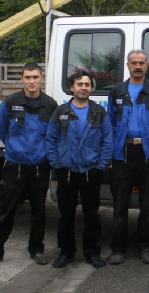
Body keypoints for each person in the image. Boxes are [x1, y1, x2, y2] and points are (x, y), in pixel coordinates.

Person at [0, 63, 57, 267]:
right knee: (7, 210)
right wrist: (15, 150)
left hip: (39, 166)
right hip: (15, 166)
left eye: (35, 77)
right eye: (27, 77)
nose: (31, 81)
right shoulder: (10, 103)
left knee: (38, 211)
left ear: (41, 78)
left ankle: (36, 249)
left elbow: (53, 135)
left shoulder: (50, 105)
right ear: (21, 79)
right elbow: (2, 131)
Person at [107, 49, 149, 265]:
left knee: (147, 205)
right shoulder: (116, 91)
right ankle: (118, 248)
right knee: (120, 204)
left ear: (147, 66)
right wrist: (109, 152)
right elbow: (109, 125)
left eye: (141, 63)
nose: (137, 66)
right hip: (122, 154)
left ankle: (144, 246)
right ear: (127, 65)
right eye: (133, 62)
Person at [45, 70, 113, 269]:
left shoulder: (99, 112)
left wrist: (100, 166)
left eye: (87, 84)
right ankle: (66, 253)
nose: (84, 88)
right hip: (66, 170)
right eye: (80, 84)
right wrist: (56, 165)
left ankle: (92, 253)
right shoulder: (60, 112)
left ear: (91, 88)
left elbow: (107, 140)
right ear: (71, 88)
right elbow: (51, 140)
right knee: (66, 215)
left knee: (91, 214)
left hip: (91, 170)